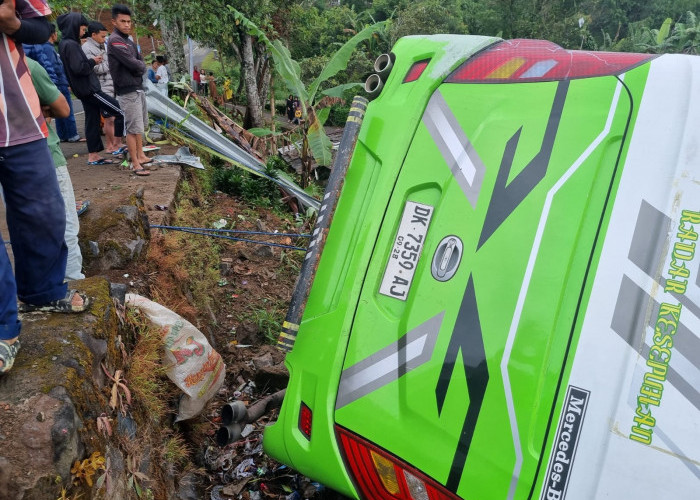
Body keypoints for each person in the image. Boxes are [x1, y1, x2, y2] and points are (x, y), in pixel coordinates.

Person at [0, 0, 89, 375]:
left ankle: (42, 292)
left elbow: (42, 27)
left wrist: (9, 22)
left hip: (18, 115)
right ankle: (4, 330)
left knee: (44, 212)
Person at [26, 58, 85, 281]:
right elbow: (62, 108)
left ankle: (42, 287)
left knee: (29, 228)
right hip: (45, 154)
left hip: (8, 162)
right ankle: (72, 283)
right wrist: (42, 109)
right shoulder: (26, 66)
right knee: (65, 225)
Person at [57, 12, 125, 166]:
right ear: (74, 27)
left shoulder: (64, 43)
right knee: (119, 110)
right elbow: (78, 68)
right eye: (82, 29)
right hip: (90, 89)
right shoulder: (71, 45)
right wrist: (93, 61)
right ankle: (117, 145)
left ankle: (93, 156)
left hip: (82, 89)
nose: (83, 33)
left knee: (92, 121)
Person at [107, 4, 152, 176]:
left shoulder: (128, 40)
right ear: (114, 22)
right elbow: (134, 63)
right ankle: (135, 163)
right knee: (132, 129)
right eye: (123, 21)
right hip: (126, 90)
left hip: (136, 87)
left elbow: (139, 61)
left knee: (139, 126)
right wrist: (139, 66)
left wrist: (139, 65)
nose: (127, 24)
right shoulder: (115, 40)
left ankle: (141, 155)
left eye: (129, 21)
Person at [23, 24, 83, 143]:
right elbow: (51, 67)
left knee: (56, 113)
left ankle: (63, 135)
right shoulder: (47, 48)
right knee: (66, 110)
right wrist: (56, 84)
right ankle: (72, 135)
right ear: (52, 34)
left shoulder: (44, 47)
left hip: (56, 83)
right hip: (58, 84)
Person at [82, 21, 126, 157]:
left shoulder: (101, 46)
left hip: (110, 85)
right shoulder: (87, 48)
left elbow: (105, 63)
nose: (105, 39)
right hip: (100, 86)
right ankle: (111, 146)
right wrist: (109, 64)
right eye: (102, 36)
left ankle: (115, 145)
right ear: (93, 35)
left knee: (112, 116)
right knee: (109, 118)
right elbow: (95, 68)